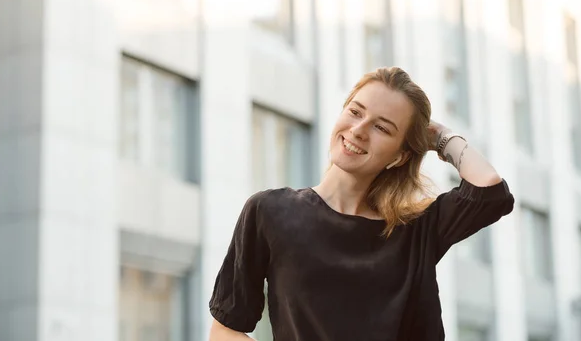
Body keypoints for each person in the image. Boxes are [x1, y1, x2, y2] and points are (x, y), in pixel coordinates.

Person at [208, 67, 514, 341]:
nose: (358, 130)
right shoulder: (269, 212)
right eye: (355, 112)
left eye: (382, 127)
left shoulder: (416, 230)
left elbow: (489, 189)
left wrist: (442, 138)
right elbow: (225, 329)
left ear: (399, 156)